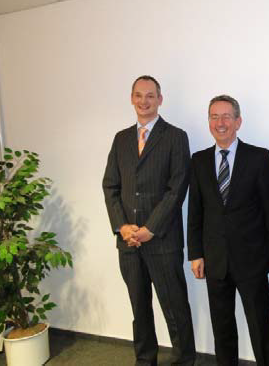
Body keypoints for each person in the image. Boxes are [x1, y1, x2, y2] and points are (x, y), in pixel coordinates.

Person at [103, 75, 196, 366]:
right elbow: (110, 186)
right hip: (128, 243)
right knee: (139, 309)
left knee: (175, 309)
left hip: (162, 241)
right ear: (131, 98)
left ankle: (184, 361)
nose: (144, 101)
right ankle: (145, 360)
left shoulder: (176, 136)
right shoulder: (121, 139)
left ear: (160, 100)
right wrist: (122, 226)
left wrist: (150, 229)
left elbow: (177, 188)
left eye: (150, 96)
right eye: (139, 95)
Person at [187, 95, 269, 366]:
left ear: (238, 122)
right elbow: (195, 211)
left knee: (261, 328)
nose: (220, 122)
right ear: (209, 122)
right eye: (214, 117)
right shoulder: (199, 161)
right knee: (222, 329)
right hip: (215, 261)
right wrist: (196, 254)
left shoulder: (260, 158)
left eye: (226, 116)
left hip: (252, 261)